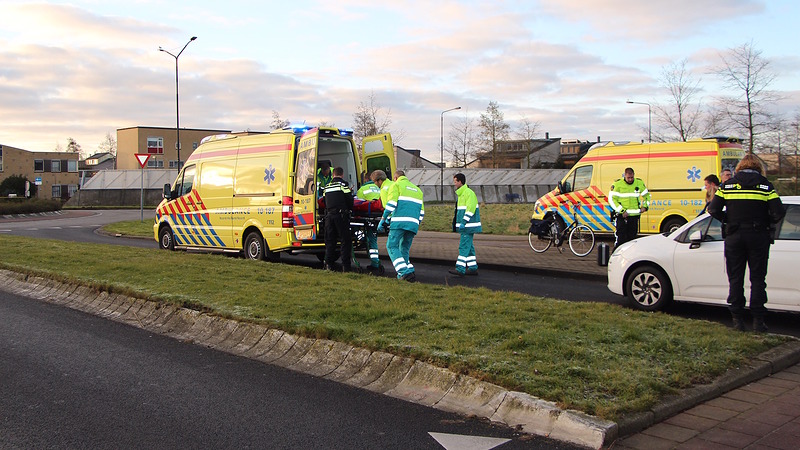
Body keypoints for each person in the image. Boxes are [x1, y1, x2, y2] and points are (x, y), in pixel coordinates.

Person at [708, 154, 784, 332]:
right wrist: (766, 222)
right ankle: (758, 321)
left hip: (734, 236)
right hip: (758, 236)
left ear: (740, 167)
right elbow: (779, 212)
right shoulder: (766, 186)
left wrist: (727, 220)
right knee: (758, 279)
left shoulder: (728, 185)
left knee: (735, 278)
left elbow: (712, 209)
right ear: (758, 168)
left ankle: (737, 321)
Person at [377, 170, 424, 282]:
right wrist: (415, 223)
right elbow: (421, 212)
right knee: (404, 248)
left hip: (399, 222)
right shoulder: (417, 190)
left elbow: (391, 204)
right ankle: (409, 270)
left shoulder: (396, 185)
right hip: (413, 224)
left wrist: (384, 219)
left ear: (395, 178)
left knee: (392, 246)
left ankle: (404, 272)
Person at [608, 167, 650, 250]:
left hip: (634, 216)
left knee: (632, 239)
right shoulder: (618, 185)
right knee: (621, 239)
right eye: (628, 178)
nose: (630, 180)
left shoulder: (639, 183)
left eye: (631, 177)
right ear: (625, 176)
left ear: (634, 175)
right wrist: (622, 210)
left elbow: (647, 196)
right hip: (621, 216)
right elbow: (612, 200)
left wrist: (645, 206)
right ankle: (616, 257)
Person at [448, 173, 481, 277]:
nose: (455, 184)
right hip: (467, 226)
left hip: (467, 226)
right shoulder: (464, 194)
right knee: (469, 247)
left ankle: (460, 268)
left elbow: (470, 209)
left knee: (463, 247)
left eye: (455, 182)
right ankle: (472, 268)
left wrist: (463, 222)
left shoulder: (467, 193)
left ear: (460, 182)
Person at [322, 167, 354, 272]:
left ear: (333, 175)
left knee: (330, 241)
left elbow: (324, 201)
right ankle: (346, 266)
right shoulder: (343, 185)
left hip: (329, 217)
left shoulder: (327, 187)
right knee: (345, 241)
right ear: (342, 174)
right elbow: (349, 201)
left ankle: (328, 265)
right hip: (341, 216)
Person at [356, 171, 383, 273]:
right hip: (378, 217)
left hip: (367, 216)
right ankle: (375, 263)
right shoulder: (380, 188)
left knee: (371, 240)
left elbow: (358, 204)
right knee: (372, 240)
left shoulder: (362, 189)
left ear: (365, 180)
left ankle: (375, 264)